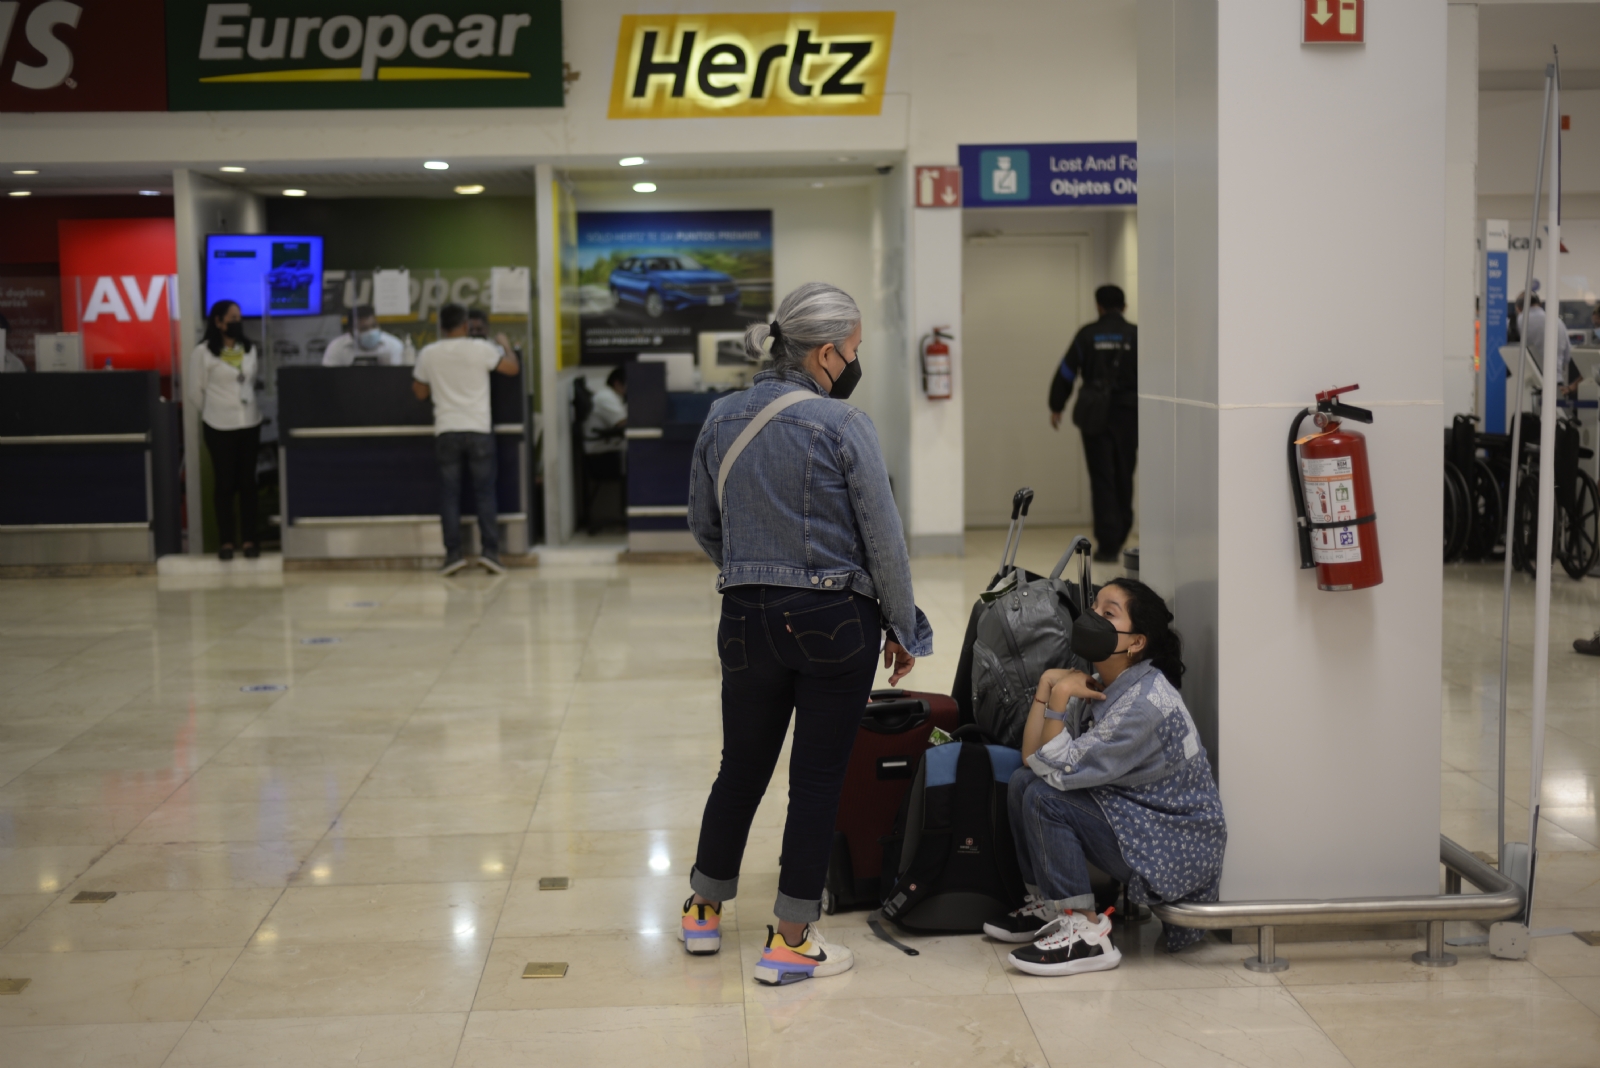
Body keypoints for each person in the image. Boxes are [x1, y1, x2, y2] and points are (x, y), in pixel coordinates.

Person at [683, 282, 932, 986]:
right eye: (853, 351)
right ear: (826, 353)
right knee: (816, 781)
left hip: (744, 619)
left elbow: (703, 524)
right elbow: (885, 543)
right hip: (834, 623)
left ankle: (703, 910)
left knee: (741, 768)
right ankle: (791, 940)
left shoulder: (720, 417)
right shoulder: (843, 425)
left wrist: (752, 570)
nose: (854, 363)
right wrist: (904, 625)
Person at [985, 578, 1225, 975]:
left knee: (1044, 796)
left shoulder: (1144, 705)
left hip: (1174, 845)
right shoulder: (1107, 679)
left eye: (1108, 613)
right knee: (1022, 784)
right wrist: (1048, 685)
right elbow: (1032, 760)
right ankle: (1053, 908)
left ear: (1135, 642)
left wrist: (1060, 699)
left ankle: (1086, 933)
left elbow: (1056, 772)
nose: (1092, 617)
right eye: (1095, 607)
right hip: (1141, 819)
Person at [411, 302, 519, 576]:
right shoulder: (480, 349)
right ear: (465, 325)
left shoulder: (429, 353)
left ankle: (453, 556)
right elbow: (511, 369)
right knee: (485, 493)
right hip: (479, 429)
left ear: (442, 326)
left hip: (447, 429)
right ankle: (491, 553)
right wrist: (505, 345)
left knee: (449, 495)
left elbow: (420, 392)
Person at [1050, 284, 1138, 562]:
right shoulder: (1136, 335)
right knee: (1125, 474)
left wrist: (1057, 405)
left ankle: (1108, 544)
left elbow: (1066, 371)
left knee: (1102, 479)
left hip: (1095, 416)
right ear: (1124, 307)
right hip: (1128, 414)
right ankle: (1123, 532)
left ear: (1098, 306)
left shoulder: (1087, 335)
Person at [185, 300, 263, 560]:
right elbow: (195, 391)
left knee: (248, 483)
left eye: (239, 317)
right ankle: (227, 541)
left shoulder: (249, 349)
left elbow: (250, 382)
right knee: (225, 484)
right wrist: (213, 412)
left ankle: (250, 540)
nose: (237, 322)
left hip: (249, 422)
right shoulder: (204, 352)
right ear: (218, 322)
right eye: (232, 317)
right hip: (219, 425)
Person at [582, 366, 629, 535]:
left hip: (607, 451)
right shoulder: (606, 398)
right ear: (617, 383)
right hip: (602, 457)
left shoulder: (611, 396)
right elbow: (622, 423)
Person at [321, 305, 405, 366]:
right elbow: (329, 379)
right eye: (364, 328)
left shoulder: (394, 345)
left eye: (374, 326)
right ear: (351, 332)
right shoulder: (336, 347)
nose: (371, 332)